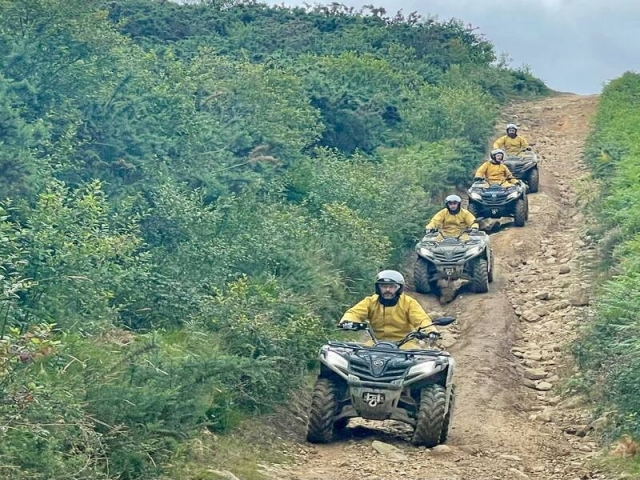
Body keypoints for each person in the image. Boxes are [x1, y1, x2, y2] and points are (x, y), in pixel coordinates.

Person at [339, 270, 437, 349]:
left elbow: (421, 319)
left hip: (404, 343)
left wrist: (430, 330)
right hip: (376, 342)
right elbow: (354, 313)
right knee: (360, 357)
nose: (388, 290)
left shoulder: (409, 303)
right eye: (384, 286)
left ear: (399, 288)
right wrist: (348, 321)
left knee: (415, 360)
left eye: (392, 287)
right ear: (378, 288)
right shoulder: (370, 301)